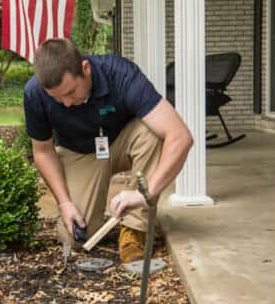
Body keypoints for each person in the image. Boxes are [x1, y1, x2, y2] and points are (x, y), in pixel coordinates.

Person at [23, 38, 194, 263]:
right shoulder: (35, 93)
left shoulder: (121, 74)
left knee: (153, 133)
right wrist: (64, 203)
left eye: (71, 92)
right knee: (74, 237)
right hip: (80, 152)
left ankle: (135, 229)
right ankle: (88, 218)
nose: (66, 103)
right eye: (57, 98)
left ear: (85, 68)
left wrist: (146, 192)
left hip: (123, 142)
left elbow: (180, 136)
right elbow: (43, 151)